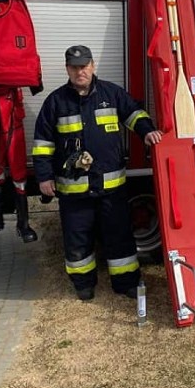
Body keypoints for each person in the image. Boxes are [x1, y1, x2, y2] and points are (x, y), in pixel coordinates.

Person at [32, 45, 163, 301]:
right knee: (77, 239)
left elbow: (134, 113)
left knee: (120, 237)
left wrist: (147, 130)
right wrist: (44, 177)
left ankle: (126, 283)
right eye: (74, 67)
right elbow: (43, 143)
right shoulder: (56, 102)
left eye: (84, 66)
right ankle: (83, 284)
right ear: (67, 69)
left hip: (110, 189)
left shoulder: (111, 94)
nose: (80, 71)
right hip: (74, 192)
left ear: (93, 66)